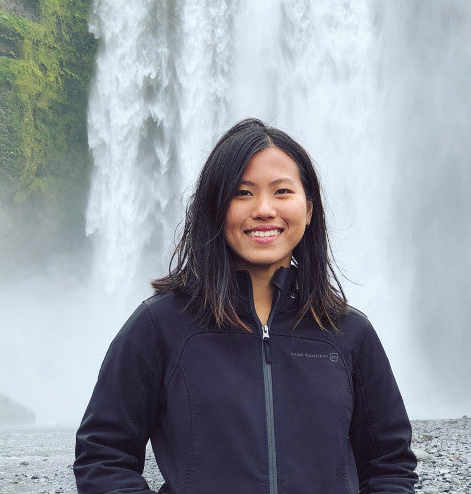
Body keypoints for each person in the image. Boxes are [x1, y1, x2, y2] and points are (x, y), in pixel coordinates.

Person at [74, 118, 418, 493]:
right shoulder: (161, 325)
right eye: (242, 193)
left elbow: (390, 464)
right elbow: (103, 454)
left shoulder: (349, 333)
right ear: (214, 209)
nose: (265, 209)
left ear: (310, 209)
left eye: (282, 191)